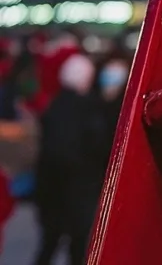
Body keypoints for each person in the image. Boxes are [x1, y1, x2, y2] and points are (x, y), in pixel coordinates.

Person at [31, 53, 101, 265]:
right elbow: (97, 147)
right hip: (78, 191)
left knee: (49, 243)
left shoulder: (54, 106)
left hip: (52, 190)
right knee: (77, 247)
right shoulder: (89, 109)